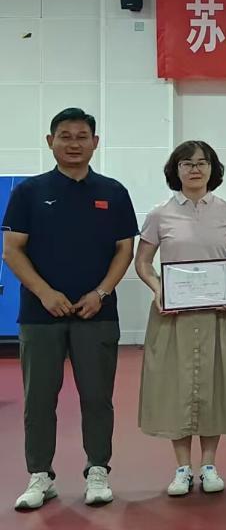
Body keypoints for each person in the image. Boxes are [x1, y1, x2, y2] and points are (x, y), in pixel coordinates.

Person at [3, 108, 137, 511]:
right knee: (39, 399)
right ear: (51, 141)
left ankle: (98, 471)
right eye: (65, 136)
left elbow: (125, 250)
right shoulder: (29, 192)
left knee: (97, 397)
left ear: (95, 142)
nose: (74, 144)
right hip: (39, 316)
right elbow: (12, 250)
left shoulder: (114, 192)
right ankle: (40, 476)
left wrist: (101, 292)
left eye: (82, 136)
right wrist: (44, 293)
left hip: (97, 314)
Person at [134, 141, 226, 496]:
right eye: (187, 163)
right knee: (177, 386)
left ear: (213, 169)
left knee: (215, 383)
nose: (195, 169)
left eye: (202, 163)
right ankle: (183, 468)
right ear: (176, 170)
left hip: (219, 313)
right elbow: (143, 262)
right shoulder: (160, 214)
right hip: (174, 314)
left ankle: (210, 465)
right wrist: (158, 288)